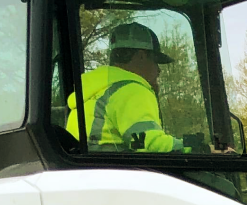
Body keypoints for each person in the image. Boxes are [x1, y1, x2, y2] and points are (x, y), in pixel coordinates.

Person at [66, 22, 187, 153]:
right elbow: (147, 144)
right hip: (114, 171)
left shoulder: (94, 92)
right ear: (141, 56)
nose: (159, 70)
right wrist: (195, 147)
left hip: (91, 170)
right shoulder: (132, 90)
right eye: (155, 61)